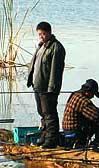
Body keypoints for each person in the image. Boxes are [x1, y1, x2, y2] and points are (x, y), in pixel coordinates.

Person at [27, 21, 66, 149]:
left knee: (49, 114)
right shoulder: (41, 46)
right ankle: (44, 136)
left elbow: (56, 71)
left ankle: (51, 140)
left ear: (49, 32)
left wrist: (51, 89)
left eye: (43, 34)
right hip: (37, 86)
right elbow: (34, 64)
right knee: (42, 113)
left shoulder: (56, 47)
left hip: (47, 88)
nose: (41, 36)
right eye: (39, 34)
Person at [62, 79, 99, 149]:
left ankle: (87, 143)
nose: (93, 96)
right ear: (88, 92)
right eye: (93, 94)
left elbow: (92, 110)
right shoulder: (83, 101)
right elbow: (96, 115)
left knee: (96, 119)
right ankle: (98, 144)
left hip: (67, 130)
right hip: (74, 132)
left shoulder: (75, 94)